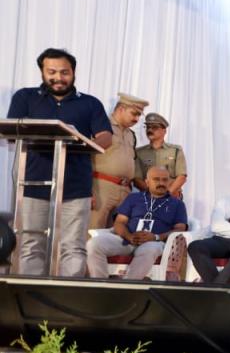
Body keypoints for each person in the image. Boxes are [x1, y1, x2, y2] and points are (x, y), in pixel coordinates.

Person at [6, 48, 113, 276]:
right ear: (42, 72)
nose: (58, 77)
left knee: (73, 246)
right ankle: (32, 293)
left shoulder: (90, 103)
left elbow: (105, 136)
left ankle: (68, 294)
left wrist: (86, 142)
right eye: (52, 72)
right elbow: (12, 131)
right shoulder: (25, 97)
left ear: (73, 72)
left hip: (75, 187)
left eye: (64, 72)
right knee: (31, 244)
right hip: (33, 184)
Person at [86, 166, 187, 279]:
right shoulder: (133, 198)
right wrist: (129, 237)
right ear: (147, 182)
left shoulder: (177, 204)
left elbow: (180, 228)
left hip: (154, 242)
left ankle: (129, 286)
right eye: (156, 179)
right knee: (93, 244)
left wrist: (156, 237)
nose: (161, 183)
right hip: (126, 240)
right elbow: (119, 222)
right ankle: (100, 283)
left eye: (164, 180)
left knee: (151, 249)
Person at [90, 92, 148, 229]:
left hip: (125, 190)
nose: (137, 119)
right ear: (121, 109)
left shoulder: (131, 134)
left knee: (114, 235)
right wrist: (87, 190)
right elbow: (84, 157)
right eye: (134, 114)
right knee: (94, 232)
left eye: (139, 115)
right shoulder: (100, 126)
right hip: (101, 188)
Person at [134, 113, 187, 199]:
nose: (150, 130)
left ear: (164, 130)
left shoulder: (175, 151)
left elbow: (182, 177)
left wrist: (167, 194)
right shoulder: (139, 152)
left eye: (154, 127)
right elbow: (137, 179)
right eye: (148, 127)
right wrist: (152, 194)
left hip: (171, 197)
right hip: (148, 199)